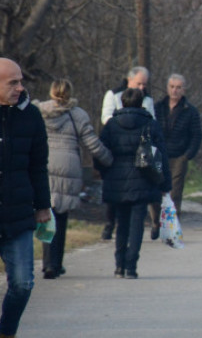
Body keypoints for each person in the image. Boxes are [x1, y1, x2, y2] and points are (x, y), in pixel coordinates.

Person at [0, 58, 52, 338]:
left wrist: (43, 206)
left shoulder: (30, 116)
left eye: (20, 81)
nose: (20, 87)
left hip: (18, 212)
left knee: (22, 283)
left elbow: (38, 165)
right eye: (12, 83)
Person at [38, 79, 112, 278]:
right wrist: (109, 159)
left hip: (45, 164)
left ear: (52, 91)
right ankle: (56, 263)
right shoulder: (77, 114)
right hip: (69, 167)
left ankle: (47, 263)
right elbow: (92, 143)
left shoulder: (40, 111)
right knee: (61, 217)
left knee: (47, 213)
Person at [99, 86, 171, 278]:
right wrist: (165, 184)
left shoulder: (111, 125)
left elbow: (101, 153)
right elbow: (161, 155)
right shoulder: (150, 124)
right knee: (137, 224)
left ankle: (119, 265)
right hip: (143, 179)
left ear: (122, 102)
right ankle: (131, 266)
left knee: (121, 223)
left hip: (118, 179)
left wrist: (105, 173)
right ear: (142, 103)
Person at [99, 66, 154, 240]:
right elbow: (106, 117)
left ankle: (133, 226)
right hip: (117, 145)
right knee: (115, 188)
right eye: (139, 83)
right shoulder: (113, 94)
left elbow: (152, 122)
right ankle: (110, 223)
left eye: (144, 84)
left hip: (139, 148)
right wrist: (124, 125)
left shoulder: (147, 99)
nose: (141, 88)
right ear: (129, 80)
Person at [150, 74, 202, 240]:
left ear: (183, 89)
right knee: (155, 191)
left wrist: (188, 155)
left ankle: (172, 228)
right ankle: (156, 222)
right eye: (172, 86)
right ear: (167, 88)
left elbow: (196, 135)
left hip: (179, 156)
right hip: (158, 154)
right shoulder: (157, 107)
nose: (175, 90)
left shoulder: (190, 110)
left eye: (178, 87)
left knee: (174, 193)